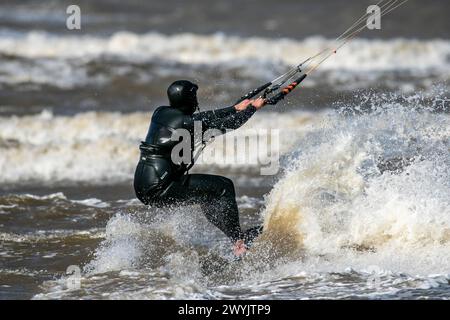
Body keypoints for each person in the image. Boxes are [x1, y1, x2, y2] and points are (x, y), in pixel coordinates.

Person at [134, 80, 266, 256]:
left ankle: (236, 239)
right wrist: (253, 108)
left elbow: (205, 117)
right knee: (224, 187)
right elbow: (231, 124)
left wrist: (234, 108)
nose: (196, 101)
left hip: (143, 186)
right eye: (193, 97)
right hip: (161, 187)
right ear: (188, 99)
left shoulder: (161, 113)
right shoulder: (187, 123)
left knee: (208, 194)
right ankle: (239, 243)